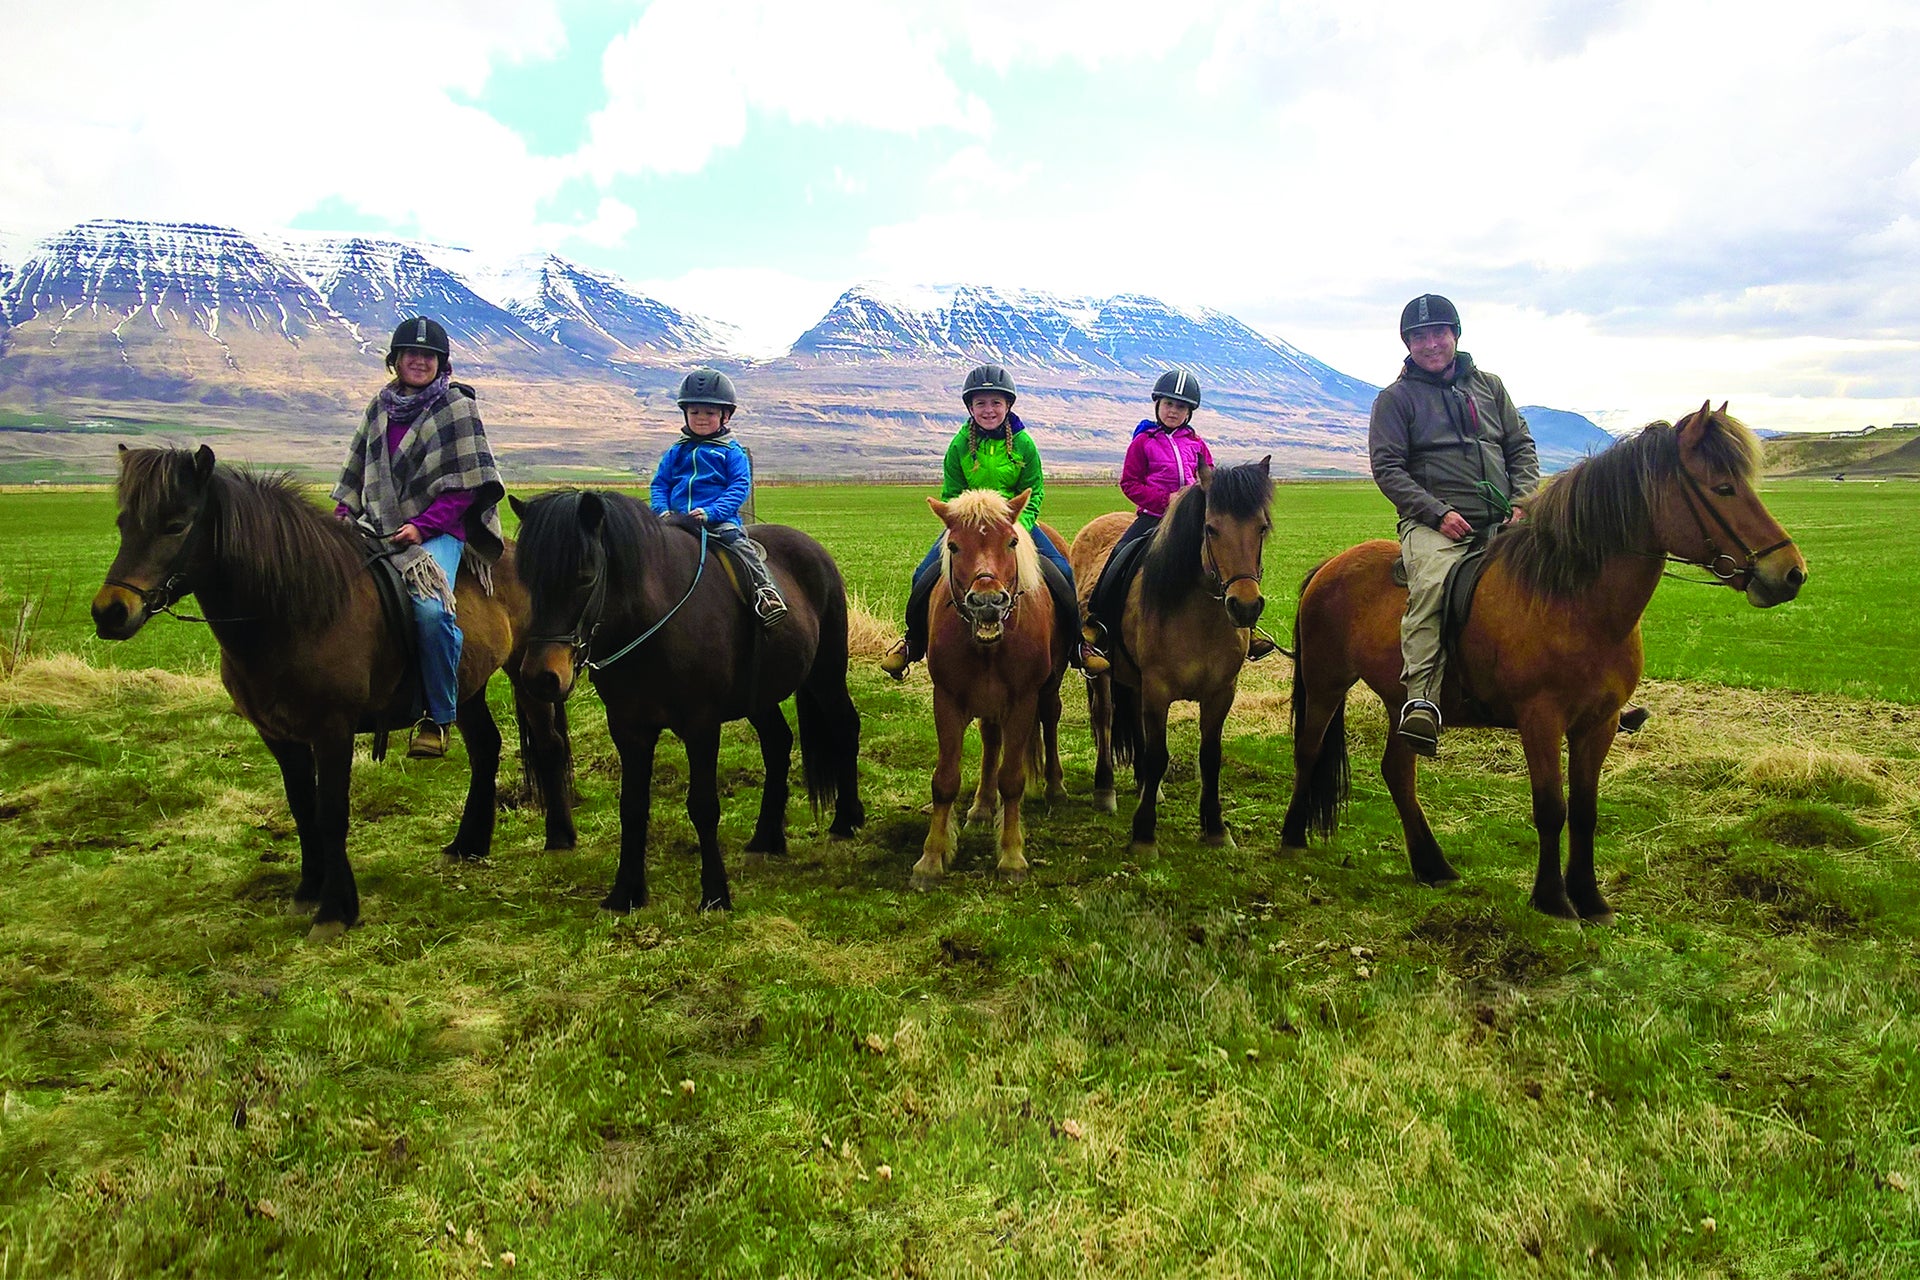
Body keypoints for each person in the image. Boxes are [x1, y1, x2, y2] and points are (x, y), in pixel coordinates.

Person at [1368, 294, 1538, 757]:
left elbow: (1521, 446)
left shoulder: (1491, 387)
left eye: (1438, 332)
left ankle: (1586, 685)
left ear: (1456, 335)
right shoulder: (1395, 400)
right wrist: (1437, 514)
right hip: (1434, 524)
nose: (1430, 344)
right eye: (1418, 336)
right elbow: (1388, 469)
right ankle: (1421, 699)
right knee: (1432, 587)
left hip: (1505, 516)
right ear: (1407, 344)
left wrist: (1523, 501)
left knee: (1564, 571)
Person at [332, 316, 507, 760]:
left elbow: (468, 486)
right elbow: (357, 468)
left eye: (428, 355)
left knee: (430, 610)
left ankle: (437, 714)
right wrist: (342, 514)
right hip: (378, 525)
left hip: (439, 530)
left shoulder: (456, 407)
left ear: (440, 363)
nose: (418, 361)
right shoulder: (380, 407)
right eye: (410, 353)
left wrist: (422, 526)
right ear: (394, 361)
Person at [879, 363, 1103, 677]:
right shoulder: (958, 446)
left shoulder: (1024, 444)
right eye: (981, 403)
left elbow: (1034, 490)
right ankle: (913, 643)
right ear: (970, 407)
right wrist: (961, 523)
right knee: (923, 575)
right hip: (968, 528)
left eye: (996, 402)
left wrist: (1019, 527)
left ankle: (1078, 645)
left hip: (1013, 525)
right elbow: (952, 492)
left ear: (1008, 405)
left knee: (1062, 571)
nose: (989, 410)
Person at [649, 368, 787, 627]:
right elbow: (660, 484)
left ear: (725, 416)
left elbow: (738, 488)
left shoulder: (731, 452)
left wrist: (711, 512)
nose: (701, 418)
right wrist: (662, 511)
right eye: (695, 412)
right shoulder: (676, 451)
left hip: (716, 522)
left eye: (710, 413)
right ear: (685, 414)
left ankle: (765, 591)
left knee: (739, 546)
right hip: (675, 520)